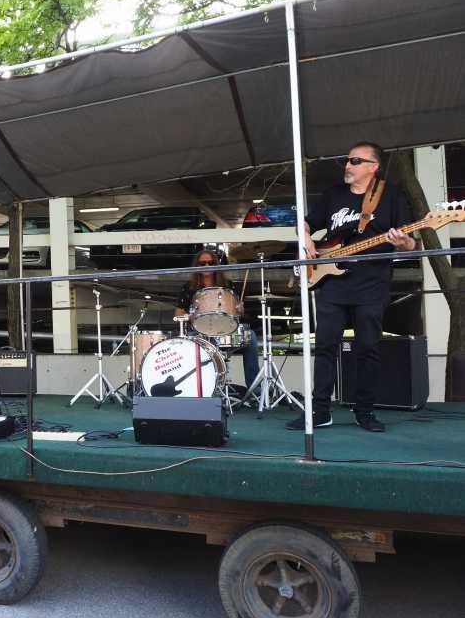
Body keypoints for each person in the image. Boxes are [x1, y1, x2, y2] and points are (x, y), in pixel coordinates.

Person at [285, 141, 415, 432]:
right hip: (332, 283)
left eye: (355, 161)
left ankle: (364, 411)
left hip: (372, 284)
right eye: (347, 160)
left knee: (368, 348)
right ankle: (320, 411)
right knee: (325, 347)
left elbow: (409, 245)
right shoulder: (333, 195)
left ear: (373, 166)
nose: (347, 165)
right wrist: (305, 238)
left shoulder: (392, 195)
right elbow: (305, 223)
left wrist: (403, 241)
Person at [174, 249, 260, 392]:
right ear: (197, 266)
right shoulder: (189, 288)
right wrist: (191, 315)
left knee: (251, 337)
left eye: (211, 263)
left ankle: (255, 391)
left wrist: (240, 309)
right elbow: (178, 313)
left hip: (225, 331)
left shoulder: (228, 285)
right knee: (187, 342)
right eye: (202, 263)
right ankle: (196, 389)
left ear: (216, 265)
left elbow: (237, 313)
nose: (207, 266)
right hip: (199, 333)